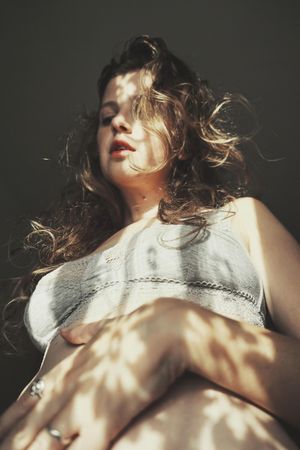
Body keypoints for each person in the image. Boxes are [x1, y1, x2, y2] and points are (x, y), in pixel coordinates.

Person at [0, 34, 299, 450]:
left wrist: (184, 331)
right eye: (108, 117)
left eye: (141, 109)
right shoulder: (61, 274)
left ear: (180, 133)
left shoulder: (240, 219)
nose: (119, 123)